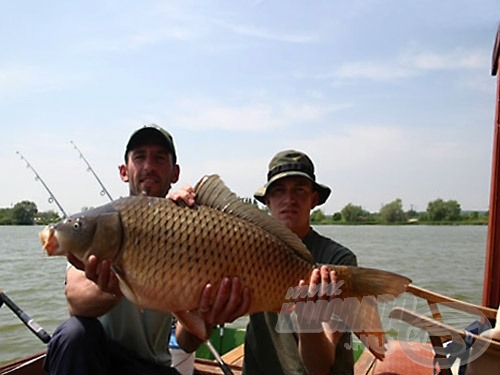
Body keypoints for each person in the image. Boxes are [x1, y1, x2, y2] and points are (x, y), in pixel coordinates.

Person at [45, 124, 250, 375]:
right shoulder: (100, 225)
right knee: (73, 334)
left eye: (159, 158)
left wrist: (211, 312)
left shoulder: (191, 227)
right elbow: (77, 303)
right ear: (123, 170)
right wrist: (122, 280)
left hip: (151, 366)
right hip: (96, 356)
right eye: (139, 156)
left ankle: (306, 307)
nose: (148, 166)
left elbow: (186, 341)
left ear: (175, 173)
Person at [243, 149, 358, 375]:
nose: (289, 200)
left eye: (299, 190)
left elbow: (320, 366)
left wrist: (308, 319)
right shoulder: (248, 249)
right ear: (268, 200)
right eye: (279, 191)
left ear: (313, 199)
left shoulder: (338, 262)